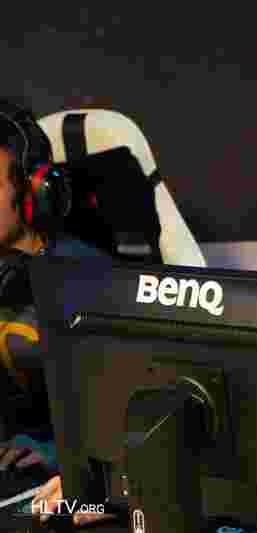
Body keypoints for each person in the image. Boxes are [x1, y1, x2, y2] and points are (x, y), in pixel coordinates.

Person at [0, 99, 114, 527]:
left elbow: (131, 413)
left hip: (74, 485)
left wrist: (85, 471)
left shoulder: (91, 279)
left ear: (35, 193)